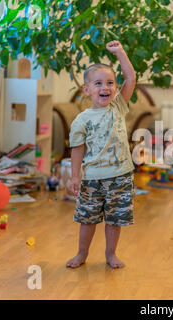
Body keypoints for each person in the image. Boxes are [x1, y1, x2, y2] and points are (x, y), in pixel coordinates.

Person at [66, 40, 136, 269]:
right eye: (98, 83)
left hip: (121, 176)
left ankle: (110, 254)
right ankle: (81, 254)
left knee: (115, 221)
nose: (105, 88)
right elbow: (77, 149)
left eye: (110, 83)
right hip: (92, 179)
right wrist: (75, 176)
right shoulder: (82, 120)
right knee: (87, 220)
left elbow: (131, 78)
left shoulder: (118, 107)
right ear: (87, 89)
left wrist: (120, 52)